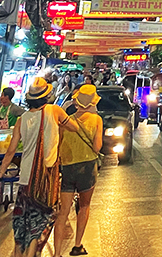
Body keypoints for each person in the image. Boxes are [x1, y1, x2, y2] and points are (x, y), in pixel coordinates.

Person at [0, 75, 80, 257]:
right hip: (46, 179)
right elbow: (74, 127)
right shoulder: (55, 111)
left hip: (25, 177)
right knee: (42, 220)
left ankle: (21, 253)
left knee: (23, 221)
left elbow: (11, 151)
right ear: (47, 96)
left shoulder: (22, 119)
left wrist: (2, 170)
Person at [52, 86, 103, 257]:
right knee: (84, 206)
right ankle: (77, 245)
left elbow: (58, 145)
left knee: (63, 212)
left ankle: (57, 253)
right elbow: (97, 147)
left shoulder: (66, 121)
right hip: (87, 168)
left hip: (68, 168)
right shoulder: (97, 120)